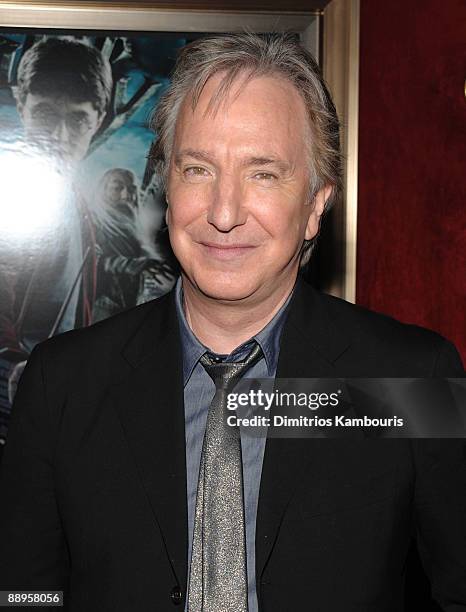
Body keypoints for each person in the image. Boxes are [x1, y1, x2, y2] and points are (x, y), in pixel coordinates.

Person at [0, 32, 465, 612]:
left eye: (263, 174)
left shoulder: (412, 381)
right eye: (197, 170)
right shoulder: (61, 384)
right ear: (165, 188)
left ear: (317, 202)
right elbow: (24, 591)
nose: (224, 213)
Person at [0, 37, 113, 403]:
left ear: (98, 120)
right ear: (21, 104)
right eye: (46, 115)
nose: (59, 138)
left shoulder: (78, 201)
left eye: (77, 119)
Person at [91, 167, 175, 321]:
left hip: (128, 305)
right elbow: (94, 262)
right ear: (104, 189)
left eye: (131, 189)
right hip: (102, 304)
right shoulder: (93, 223)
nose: (126, 195)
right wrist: (136, 265)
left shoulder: (134, 226)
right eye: (117, 188)